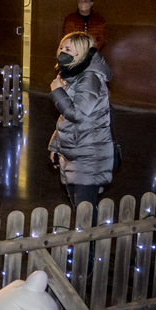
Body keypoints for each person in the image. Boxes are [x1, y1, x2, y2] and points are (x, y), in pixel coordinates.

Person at [48, 32, 113, 209]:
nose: (62, 51)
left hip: (89, 154)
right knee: (80, 208)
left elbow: (77, 114)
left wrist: (57, 92)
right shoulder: (71, 74)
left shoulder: (89, 77)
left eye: (68, 49)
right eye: (61, 47)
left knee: (85, 211)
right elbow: (65, 118)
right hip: (75, 150)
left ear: (82, 52)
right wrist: (55, 147)